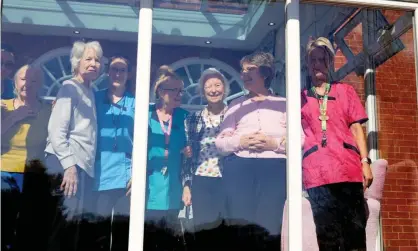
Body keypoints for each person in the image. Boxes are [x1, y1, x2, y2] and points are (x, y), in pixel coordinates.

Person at [215, 51, 293, 250]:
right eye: (242, 70)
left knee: (270, 223)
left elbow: (299, 140)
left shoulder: (285, 104)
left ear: (265, 73)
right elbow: (220, 143)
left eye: (250, 69)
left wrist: (273, 144)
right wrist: (241, 141)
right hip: (241, 167)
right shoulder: (235, 105)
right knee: (240, 224)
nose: (244, 74)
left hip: (274, 168)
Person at [301, 37, 373, 251]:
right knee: (328, 237)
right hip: (317, 174)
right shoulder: (301, 97)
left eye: (322, 60)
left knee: (354, 234)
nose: (317, 64)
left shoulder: (345, 91)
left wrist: (366, 161)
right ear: (307, 64)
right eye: (313, 60)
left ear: (330, 63)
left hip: (348, 170)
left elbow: (356, 128)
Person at [44, 40, 102, 251]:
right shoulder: (69, 87)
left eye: (97, 60)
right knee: (64, 223)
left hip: (81, 165)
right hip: (66, 163)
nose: (93, 63)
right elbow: (56, 131)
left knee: (74, 224)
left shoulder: (91, 91)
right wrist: (69, 167)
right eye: (88, 59)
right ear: (77, 62)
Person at [1, 64, 50, 251]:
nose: (27, 84)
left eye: (34, 80)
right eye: (23, 79)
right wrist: (14, 117)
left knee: (29, 229)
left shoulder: (48, 111)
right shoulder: (3, 106)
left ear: (40, 85)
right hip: (4, 173)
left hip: (33, 174)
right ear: (15, 82)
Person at [181, 68, 229, 248]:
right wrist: (187, 185)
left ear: (224, 89)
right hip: (201, 179)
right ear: (202, 91)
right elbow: (187, 156)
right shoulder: (192, 119)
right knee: (203, 230)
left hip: (227, 178)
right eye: (208, 86)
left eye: (217, 85)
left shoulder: (233, 115)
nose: (213, 90)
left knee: (226, 230)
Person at [145, 65, 188, 250]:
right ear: (160, 91)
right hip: (149, 187)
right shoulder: (145, 115)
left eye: (181, 90)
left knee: (169, 241)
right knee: (148, 237)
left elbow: (189, 154)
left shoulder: (185, 117)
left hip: (174, 188)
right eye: (174, 90)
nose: (179, 94)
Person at [93, 56, 134, 251]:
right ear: (108, 72)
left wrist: (136, 174)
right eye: (114, 69)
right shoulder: (94, 98)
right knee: (97, 231)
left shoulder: (136, 102)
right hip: (99, 174)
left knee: (122, 231)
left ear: (129, 74)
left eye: (122, 70)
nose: (118, 74)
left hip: (125, 176)